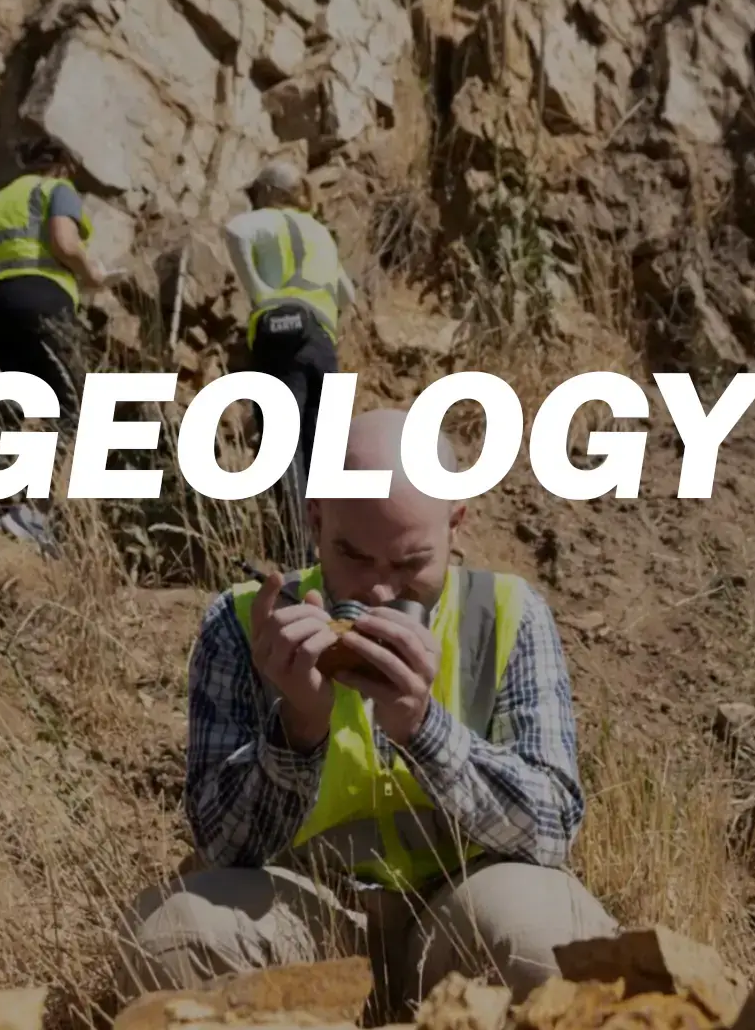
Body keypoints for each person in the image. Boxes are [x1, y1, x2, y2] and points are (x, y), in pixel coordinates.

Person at [116, 408, 618, 1018]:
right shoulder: (244, 622)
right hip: (303, 915)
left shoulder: (510, 614)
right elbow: (221, 846)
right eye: (353, 556)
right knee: (175, 944)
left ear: (455, 525)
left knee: (555, 947)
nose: (380, 592)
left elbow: (551, 829)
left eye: (410, 565)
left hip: (463, 915)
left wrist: (424, 729)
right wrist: (297, 730)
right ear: (316, 517)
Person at [0, 134, 107, 548]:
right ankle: (30, 512)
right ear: (62, 166)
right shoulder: (56, 190)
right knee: (69, 404)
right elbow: (63, 241)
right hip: (43, 303)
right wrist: (91, 272)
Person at [222, 160, 356, 566]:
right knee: (323, 449)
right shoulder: (321, 235)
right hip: (322, 342)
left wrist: (261, 293)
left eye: (255, 193)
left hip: (281, 336)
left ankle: (295, 555)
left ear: (269, 191)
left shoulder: (269, 219)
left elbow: (234, 231)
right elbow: (347, 294)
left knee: (283, 444)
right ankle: (332, 556)